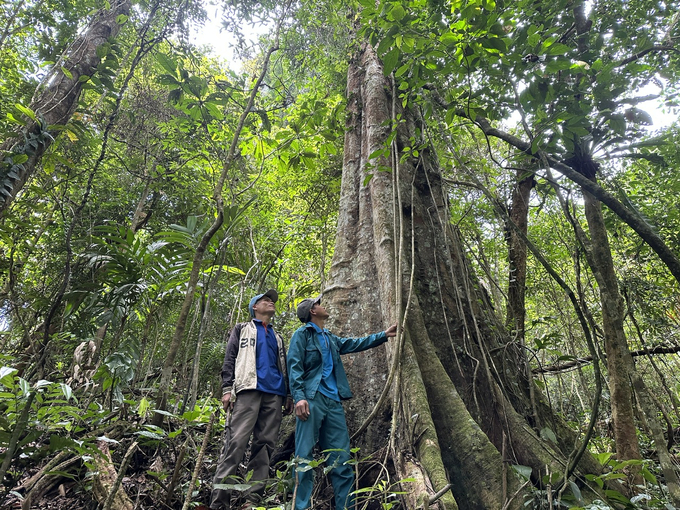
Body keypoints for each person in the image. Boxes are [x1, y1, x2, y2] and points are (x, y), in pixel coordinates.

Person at [287, 295, 397, 510]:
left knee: (341, 458)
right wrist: (299, 397)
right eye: (319, 304)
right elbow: (294, 367)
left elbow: (353, 344)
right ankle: (299, 506)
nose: (323, 305)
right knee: (304, 455)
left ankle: (345, 506)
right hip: (312, 398)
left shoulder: (329, 337)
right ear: (312, 311)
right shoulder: (302, 335)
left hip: (334, 402)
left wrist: (383, 335)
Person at [210, 289, 294, 510]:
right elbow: (230, 358)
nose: (270, 303)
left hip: (274, 394)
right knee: (236, 442)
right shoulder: (241, 329)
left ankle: (252, 500)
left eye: (272, 301)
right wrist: (227, 388)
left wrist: (287, 394)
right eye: (265, 300)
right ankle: (220, 502)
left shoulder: (278, 336)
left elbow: (282, 366)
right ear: (254, 307)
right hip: (248, 389)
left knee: (265, 445)